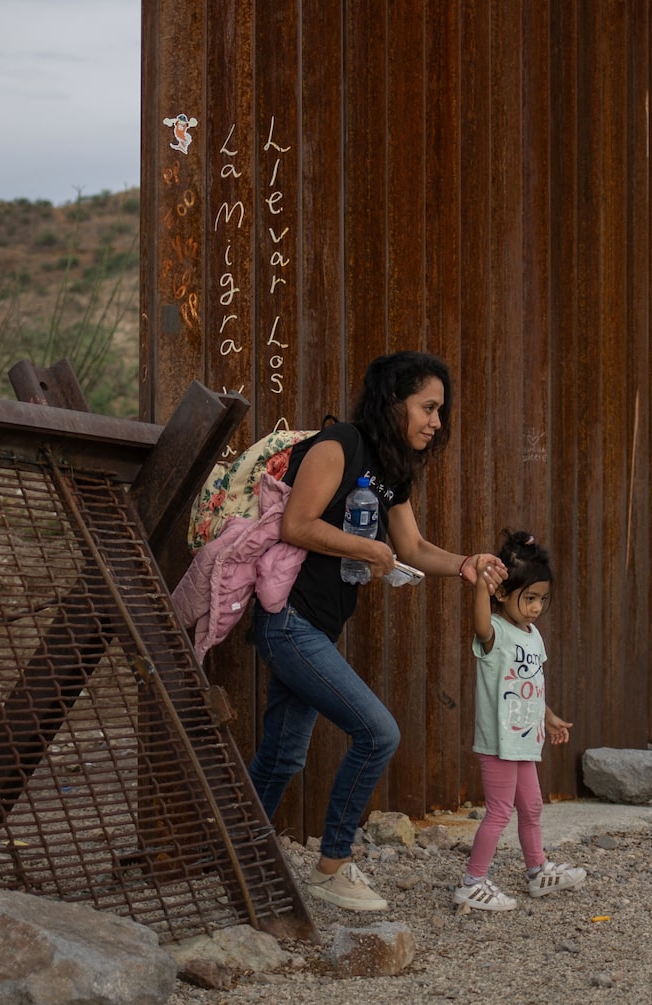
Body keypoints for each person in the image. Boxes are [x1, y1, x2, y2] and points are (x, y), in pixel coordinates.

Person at [248, 350, 506, 912]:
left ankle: (234, 859)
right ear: (393, 402)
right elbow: (297, 524)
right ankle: (333, 865)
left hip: (316, 625)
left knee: (282, 756)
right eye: (428, 407)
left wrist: (465, 564)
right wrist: (369, 548)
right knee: (378, 733)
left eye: (440, 410)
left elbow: (411, 548)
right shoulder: (338, 444)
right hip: (288, 621)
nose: (437, 422)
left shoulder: (391, 470)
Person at [453, 530, 586, 911]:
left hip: (526, 739)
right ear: (501, 595)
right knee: (499, 810)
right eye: (529, 598)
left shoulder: (533, 636)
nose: (536, 607)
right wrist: (480, 584)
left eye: (542, 599)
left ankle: (537, 871)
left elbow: (532, 685)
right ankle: (472, 881)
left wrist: (550, 716)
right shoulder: (495, 633)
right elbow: (479, 624)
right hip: (499, 741)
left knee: (532, 808)